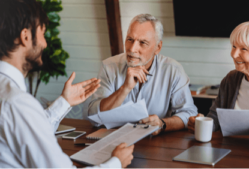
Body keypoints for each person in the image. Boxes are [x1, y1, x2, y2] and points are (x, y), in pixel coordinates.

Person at [0, 0, 134, 168]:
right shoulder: (17, 103)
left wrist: (64, 102)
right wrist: (116, 163)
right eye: (42, 33)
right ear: (25, 37)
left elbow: (27, 132)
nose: (45, 43)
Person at [88, 14, 198, 135]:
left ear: (157, 47)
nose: (132, 49)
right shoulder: (109, 67)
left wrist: (162, 124)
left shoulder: (173, 70)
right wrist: (125, 89)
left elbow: (189, 114)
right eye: (130, 39)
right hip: (115, 141)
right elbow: (93, 116)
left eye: (143, 42)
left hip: (156, 144)